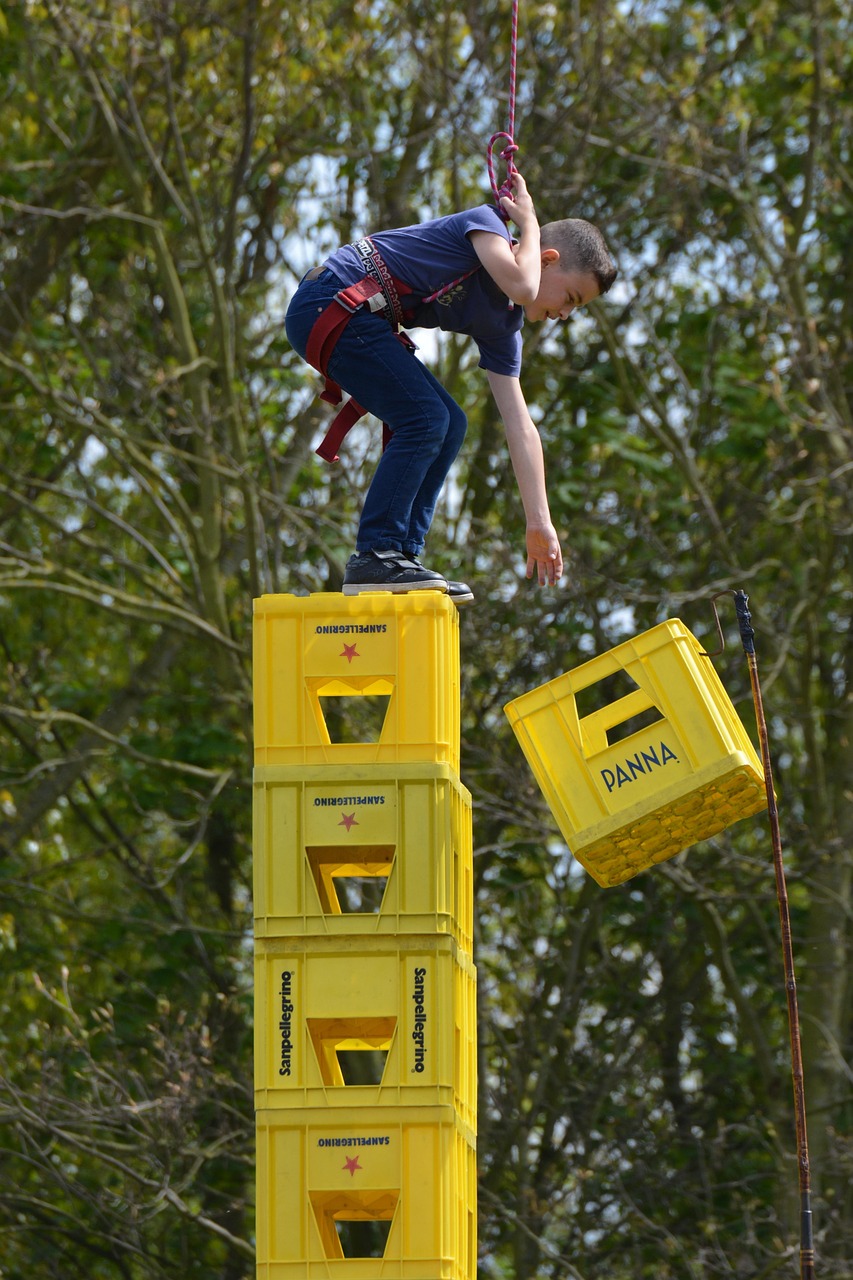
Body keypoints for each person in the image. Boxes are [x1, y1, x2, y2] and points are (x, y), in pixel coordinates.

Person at [284, 173, 617, 603]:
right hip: (330, 302)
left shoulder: (502, 325)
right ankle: (376, 554)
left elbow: (521, 427)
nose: (565, 314)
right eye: (571, 298)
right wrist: (529, 223)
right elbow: (524, 284)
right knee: (426, 418)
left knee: (450, 423)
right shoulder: (487, 227)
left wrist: (539, 521)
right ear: (546, 259)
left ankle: (401, 556)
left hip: (355, 319)